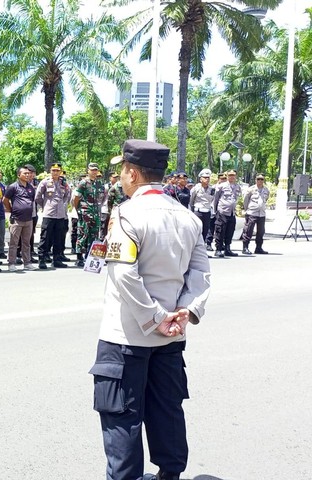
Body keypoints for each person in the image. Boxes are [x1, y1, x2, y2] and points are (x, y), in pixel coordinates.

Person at [90, 139, 211, 480]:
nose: (119, 177)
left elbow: (123, 274)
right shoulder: (187, 217)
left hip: (127, 336)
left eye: (121, 172)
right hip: (171, 339)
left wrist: (154, 319)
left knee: (122, 418)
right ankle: (169, 475)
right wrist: (186, 311)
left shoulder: (126, 214)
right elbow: (200, 273)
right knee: (167, 412)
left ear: (132, 172)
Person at [35, 162, 71, 269]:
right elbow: (38, 197)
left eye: (57, 171)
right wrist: (45, 206)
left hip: (60, 215)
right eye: (53, 170)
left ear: (60, 172)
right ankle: (42, 259)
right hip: (49, 214)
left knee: (58, 238)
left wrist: (62, 205)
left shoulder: (64, 183)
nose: (55, 172)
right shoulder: (45, 182)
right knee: (45, 237)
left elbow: (67, 195)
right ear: (50, 171)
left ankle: (56, 259)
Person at [4, 166, 37, 271]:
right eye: (25, 173)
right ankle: (11, 263)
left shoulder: (31, 187)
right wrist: (11, 210)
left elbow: (31, 201)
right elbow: (5, 200)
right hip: (17, 219)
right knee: (14, 242)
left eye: (28, 173)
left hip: (28, 219)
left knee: (26, 243)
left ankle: (27, 262)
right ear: (19, 175)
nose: (27, 175)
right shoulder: (13, 187)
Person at [72, 163, 105, 267]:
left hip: (96, 214)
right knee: (83, 234)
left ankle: (90, 257)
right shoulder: (83, 183)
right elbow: (76, 198)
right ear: (88, 171)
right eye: (92, 170)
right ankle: (79, 258)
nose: (94, 172)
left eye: (96, 170)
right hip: (85, 213)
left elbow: (102, 198)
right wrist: (80, 210)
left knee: (94, 236)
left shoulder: (99, 184)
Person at [213, 169, 242, 258]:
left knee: (230, 231)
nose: (232, 177)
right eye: (230, 175)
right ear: (227, 176)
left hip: (232, 212)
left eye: (233, 175)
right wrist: (215, 210)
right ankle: (218, 249)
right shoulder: (221, 186)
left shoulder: (237, 187)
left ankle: (227, 249)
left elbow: (237, 198)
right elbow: (216, 199)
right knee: (220, 230)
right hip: (222, 211)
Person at [241, 173, 270, 255]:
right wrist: (247, 210)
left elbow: (266, 199)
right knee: (248, 230)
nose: (260, 181)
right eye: (258, 179)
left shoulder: (266, 190)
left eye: (262, 179)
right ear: (255, 180)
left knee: (261, 232)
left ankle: (258, 248)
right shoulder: (251, 189)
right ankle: (245, 247)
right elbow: (245, 200)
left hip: (261, 214)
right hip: (252, 212)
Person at [189, 168, 215, 244]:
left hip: (207, 212)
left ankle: (202, 249)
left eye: (208, 178)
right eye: (205, 178)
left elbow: (212, 200)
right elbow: (191, 201)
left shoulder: (212, 189)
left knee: (205, 231)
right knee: (197, 231)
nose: (207, 179)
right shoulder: (196, 188)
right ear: (200, 179)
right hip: (198, 212)